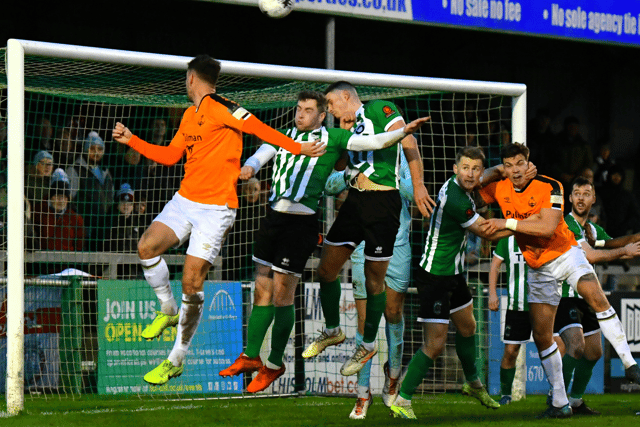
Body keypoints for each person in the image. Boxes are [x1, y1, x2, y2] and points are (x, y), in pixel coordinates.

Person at [111, 54, 325, 386]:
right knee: (147, 247)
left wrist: (297, 148)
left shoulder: (222, 106)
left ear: (192, 79)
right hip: (185, 200)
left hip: (216, 208)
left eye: (186, 78)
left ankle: (176, 359)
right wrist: (132, 141)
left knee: (191, 281)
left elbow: (258, 128)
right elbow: (170, 156)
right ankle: (167, 309)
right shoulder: (189, 114)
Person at [218, 90, 430, 394]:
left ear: (321, 115)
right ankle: (253, 355)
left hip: (304, 221)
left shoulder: (334, 136)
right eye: (299, 108)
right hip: (274, 216)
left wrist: (402, 134)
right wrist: (250, 167)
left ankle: (277, 363)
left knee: (285, 293)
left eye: (311, 109)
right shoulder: (286, 135)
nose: (301, 114)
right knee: (265, 285)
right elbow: (264, 151)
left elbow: (370, 143)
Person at [479, 143, 640, 419]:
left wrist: (507, 224)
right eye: (509, 165)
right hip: (538, 267)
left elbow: (547, 227)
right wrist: (495, 169)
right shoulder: (501, 186)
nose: (515, 170)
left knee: (596, 297)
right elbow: (474, 184)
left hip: (566, 253)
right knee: (542, 337)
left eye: (519, 163)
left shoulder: (550, 185)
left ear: (529, 162)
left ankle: (629, 365)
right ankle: (560, 402)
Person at [302, 81, 436, 378]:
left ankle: (367, 344)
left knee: (375, 285)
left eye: (332, 104)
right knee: (326, 270)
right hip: (354, 202)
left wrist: (417, 185)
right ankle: (333, 330)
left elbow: (407, 140)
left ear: (346, 96)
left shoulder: (379, 109)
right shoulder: (347, 132)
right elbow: (338, 166)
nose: (331, 111)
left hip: (383, 204)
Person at [390, 147, 510, 420]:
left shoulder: (466, 184)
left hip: (453, 274)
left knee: (468, 327)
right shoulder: (456, 198)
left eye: (475, 169)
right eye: (465, 167)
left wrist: (501, 170)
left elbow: (487, 176)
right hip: (435, 277)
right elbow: (485, 232)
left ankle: (473, 384)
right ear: (455, 169)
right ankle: (402, 399)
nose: (470, 173)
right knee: (435, 345)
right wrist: (524, 227)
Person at [322, 150, 412, 419]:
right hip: (362, 243)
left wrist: (383, 179)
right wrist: (352, 175)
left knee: (394, 312)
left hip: (397, 242)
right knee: (363, 322)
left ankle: (393, 376)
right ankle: (362, 394)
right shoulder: (355, 152)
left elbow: (411, 191)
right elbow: (330, 186)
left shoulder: (402, 155)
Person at [553, 177, 640, 415]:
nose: (581, 197)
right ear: (570, 198)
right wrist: (625, 251)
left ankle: (576, 401)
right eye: (576, 193)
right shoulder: (566, 224)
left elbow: (613, 243)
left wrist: (634, 240)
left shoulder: (590, 229)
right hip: (565, 294)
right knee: (576, 346)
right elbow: (591, 255)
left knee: (594, 352)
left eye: (586, 193)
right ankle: (556, 398)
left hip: (586, 296)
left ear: (593, 199)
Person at [488, 235, 529, 406]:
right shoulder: (507, 241)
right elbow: (495, 266)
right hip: (516, 305)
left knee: (552, 349)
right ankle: (506, 395)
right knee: (511, 351)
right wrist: (492, 294)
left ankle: (556, 394)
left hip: (542, 305)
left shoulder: (543, 235)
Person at [66, 130, 115, 250]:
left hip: (105, 231)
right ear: (85, 149)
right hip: (85, 231)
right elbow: (69, 201)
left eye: (100, 149)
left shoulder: (106, 173)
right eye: (92, 148)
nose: (96, 152)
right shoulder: (75, 170)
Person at [32, 168, 85, 253]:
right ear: (51, 197)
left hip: (67, 262)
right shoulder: (39, 212)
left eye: (64, 197)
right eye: (57, 196)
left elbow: (79, 246)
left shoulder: (76, 218)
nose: (61, 201)